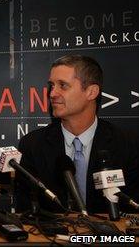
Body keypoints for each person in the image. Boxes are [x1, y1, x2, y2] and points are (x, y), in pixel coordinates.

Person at [16, 55, 139, 213]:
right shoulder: (32, 145)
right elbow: (27, 213)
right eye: (51, 86)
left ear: (91, 92)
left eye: (63, 85)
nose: (52, 94)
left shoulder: (128, 145)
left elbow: (133, 214)